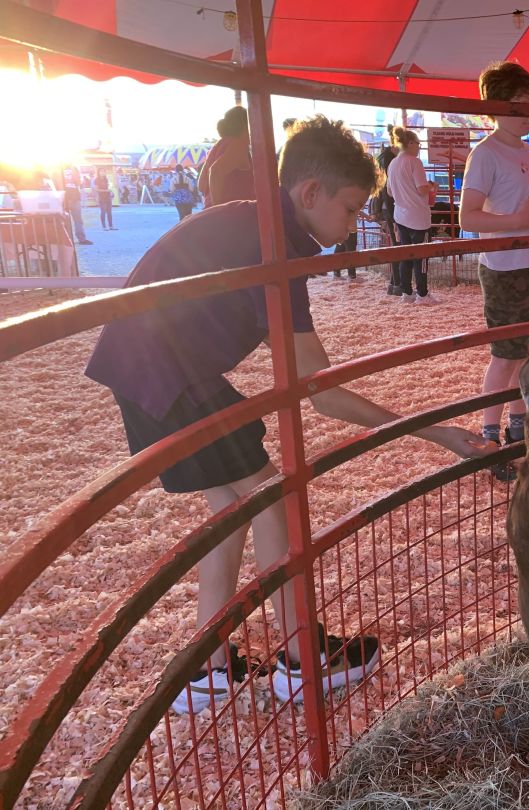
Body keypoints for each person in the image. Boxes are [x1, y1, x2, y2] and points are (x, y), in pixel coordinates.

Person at [84, 116, 492, 716]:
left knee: (233, 505)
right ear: (310, 195)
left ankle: (209, 667)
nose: (354, 224)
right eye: (351, 209)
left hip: (159, 371)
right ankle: (303, 660)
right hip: (166, 374)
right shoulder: (274, 245)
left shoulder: (262, 226)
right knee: (269, 495)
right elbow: (320, 390)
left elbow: (310, 380)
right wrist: (439, 434)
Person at [457, 62, 529, 479]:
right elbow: (468, 217)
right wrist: (519, 222)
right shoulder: (486, 153)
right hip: (505, 266)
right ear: (494, 108)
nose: (527, 112)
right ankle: (488, 433)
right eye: (517, 105)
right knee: (505, 355)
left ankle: (520, 428)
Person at [385, 126, 435, 303]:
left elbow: (390, 192)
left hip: (401, 215)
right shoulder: (414, 162)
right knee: (421, 256)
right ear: (411, 143)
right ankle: (422, 294)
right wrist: (431, 186)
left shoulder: (393, 163)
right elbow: (422, 189)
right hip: (418, 216)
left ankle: (407, 292)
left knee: (405, 254)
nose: (419, 147)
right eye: (418, 143)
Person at [198, 106, 255, 208]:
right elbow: (215, 172)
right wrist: (220, 210)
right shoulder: (238, 145)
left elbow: (202, 186)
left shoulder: (217, 146)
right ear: (246, 126)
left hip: (213, 213)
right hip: (234, 215)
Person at [371, 124, 404, 295]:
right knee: (399, 245)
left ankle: (394, 283)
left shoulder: (383, 158)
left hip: (386, 207)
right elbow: (390, 190)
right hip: (392, 207)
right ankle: (398, 283)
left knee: (396, 243)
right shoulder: (393, 160)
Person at [62, 165, 92, 245]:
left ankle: (81, 239)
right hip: (64, 197)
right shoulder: (58, 169)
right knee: (65, 220)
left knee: (78, 220)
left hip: (74, 196)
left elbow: (78, 182)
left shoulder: (74, 168)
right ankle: (67, 240)